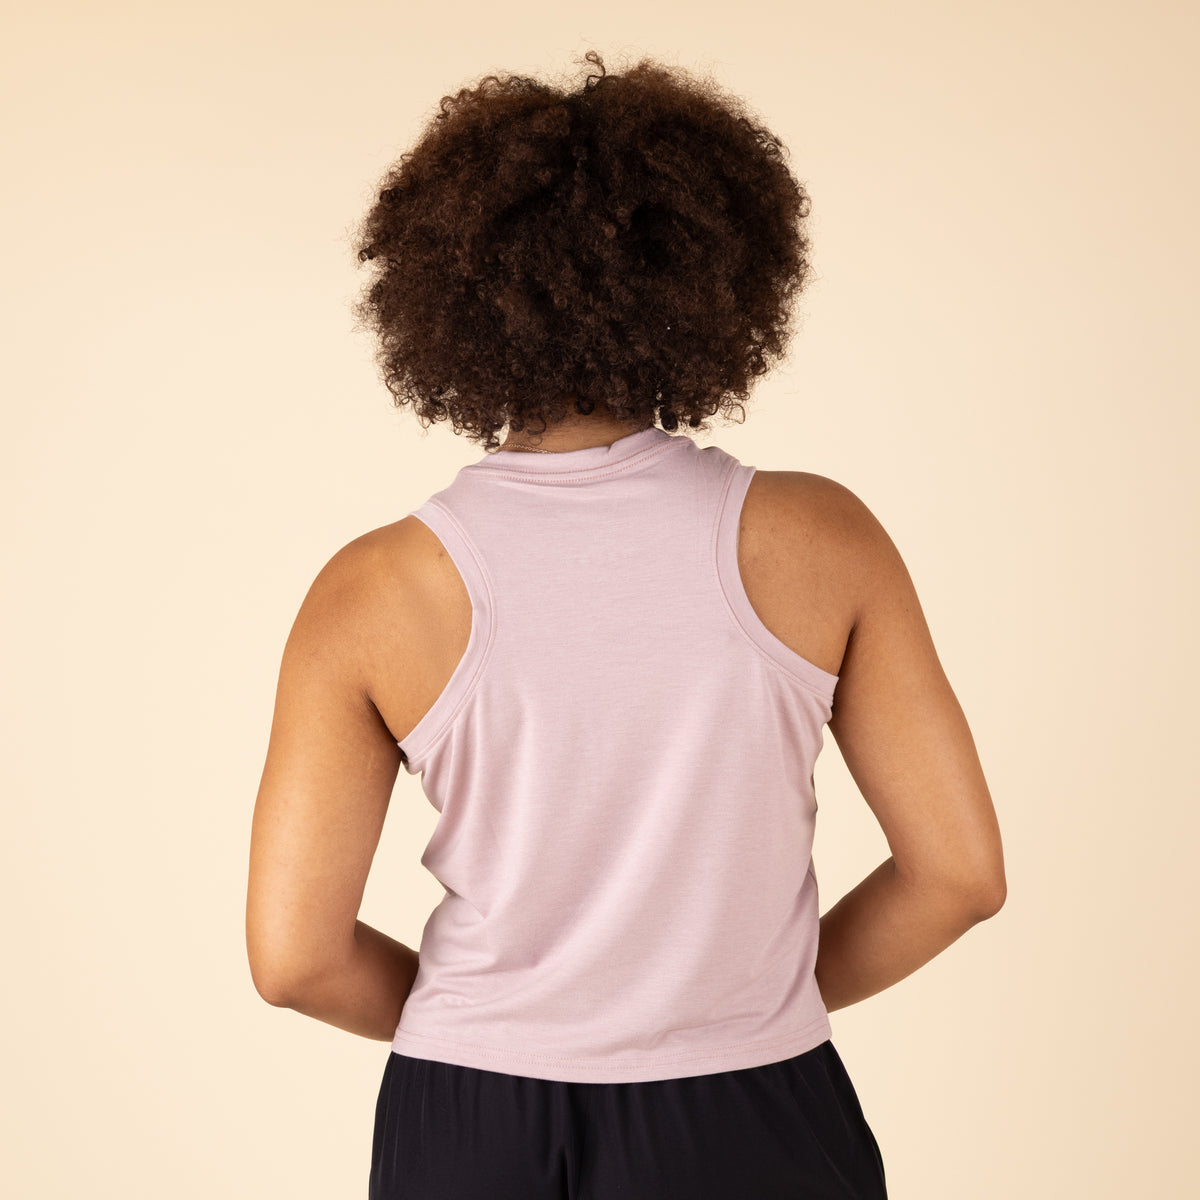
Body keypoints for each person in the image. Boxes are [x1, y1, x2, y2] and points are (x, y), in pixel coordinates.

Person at [245, 50, 1006, 1199]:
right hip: (754, 1105)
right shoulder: (821, 539)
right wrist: (745, 1004)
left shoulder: (374, 589)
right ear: (712, 278)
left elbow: (293, 959)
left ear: (447, 297)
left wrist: (493, 1027)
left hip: (472, 1124)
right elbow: (961, 876)